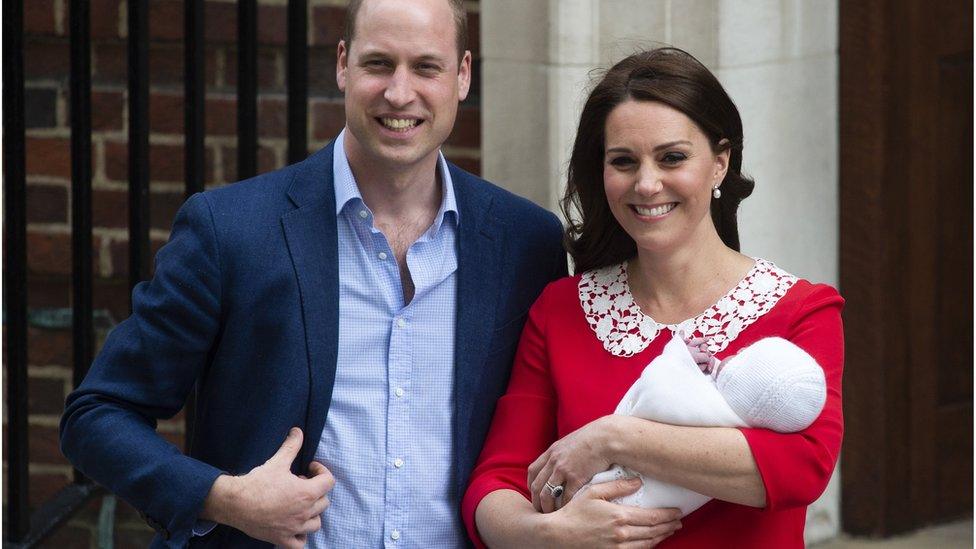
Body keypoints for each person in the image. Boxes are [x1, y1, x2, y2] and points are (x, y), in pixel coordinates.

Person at [59, 0, 566, 547]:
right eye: (378, 64)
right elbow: (98, 414)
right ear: (343, 64)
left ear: (462, 74)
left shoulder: (525, 244)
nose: (400, 93)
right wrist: (223, 497)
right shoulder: (232, 231)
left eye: (426, 67)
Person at [462, 47, 844, 548]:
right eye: (623, 161)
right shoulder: (561, 308)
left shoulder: (801, 309)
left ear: (719, 164)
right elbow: (494, 484)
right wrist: (547, 533)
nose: (646, 183)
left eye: (672, 158)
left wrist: (613, 438)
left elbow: (800, 469)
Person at [585, 333, 827, 516]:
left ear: (739, 379)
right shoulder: (747, 427)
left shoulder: (707, 408)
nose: (736, 352)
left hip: (616, 491)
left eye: (743, 355)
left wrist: (679, 359)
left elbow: (653, 394)